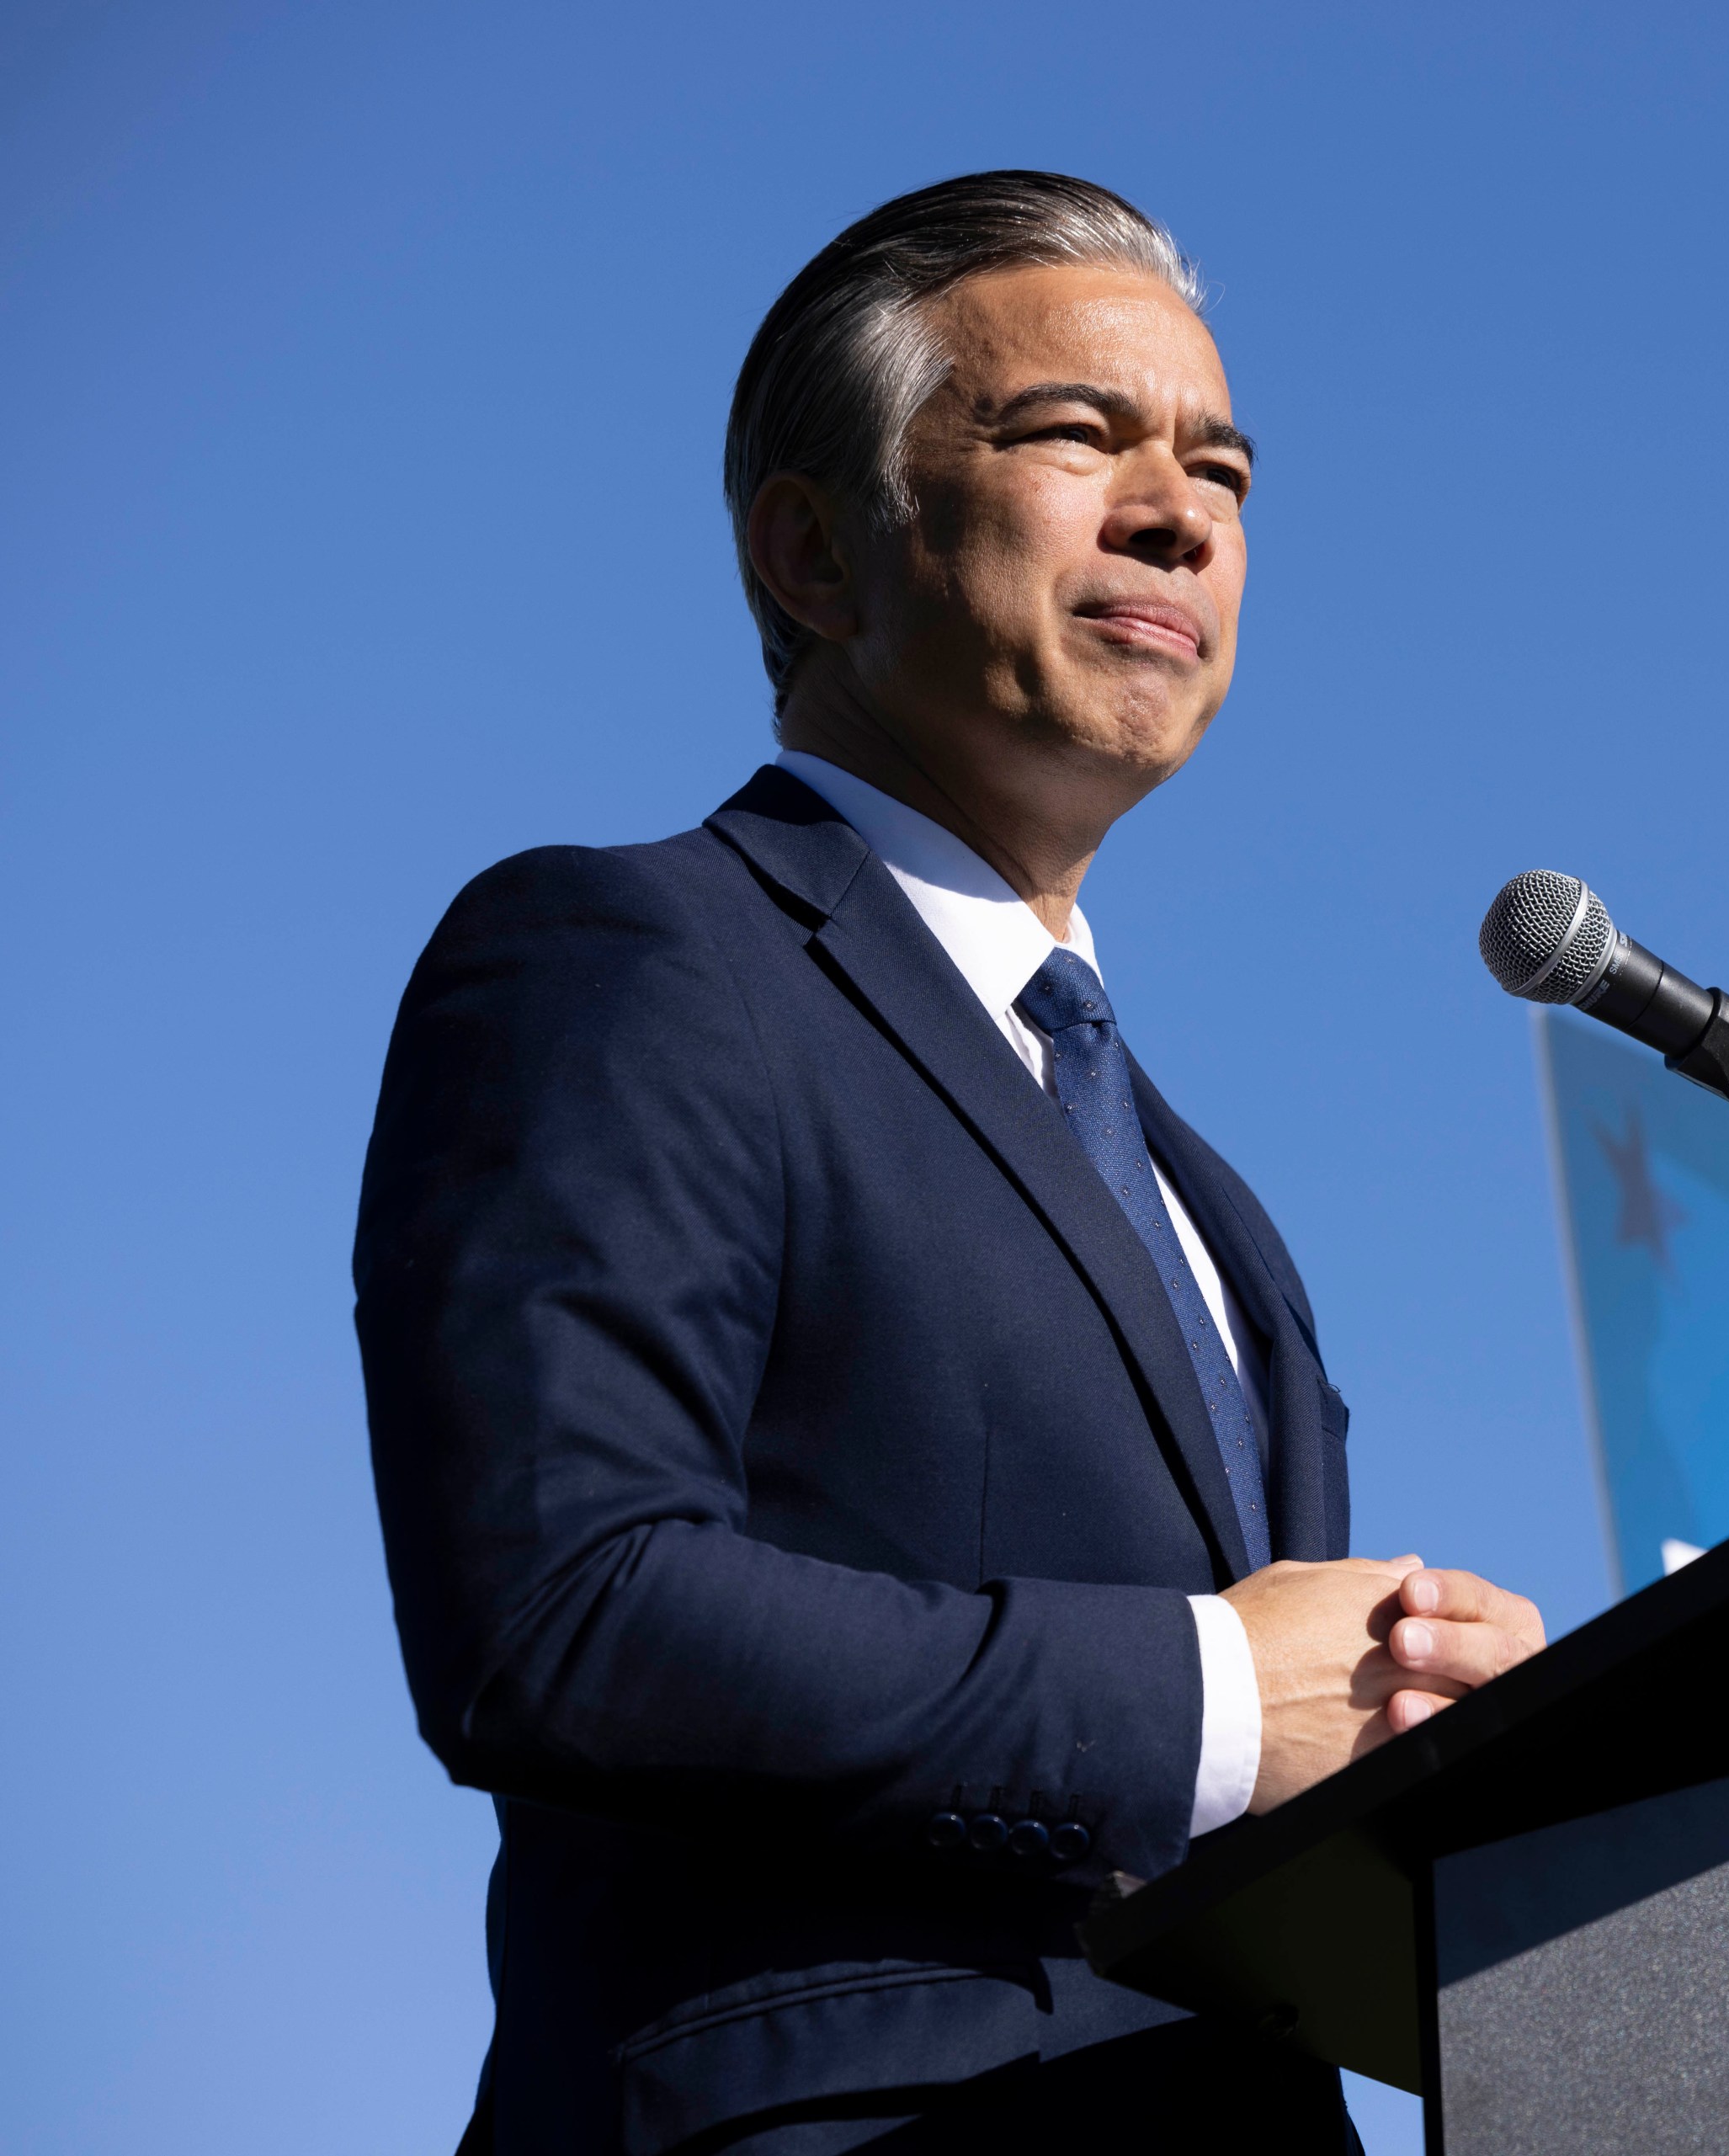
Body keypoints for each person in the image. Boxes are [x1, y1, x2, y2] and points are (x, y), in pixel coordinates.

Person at [354, 170, 1545, 2155]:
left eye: (1222, 471)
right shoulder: (629, 953)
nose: (1180, 511)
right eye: (1078, 433)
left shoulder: (1211, 1204)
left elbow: (1238, 1798)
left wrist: (1426, 1735)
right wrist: (1226, 1698)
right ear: (816, 552)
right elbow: (562, 1606)